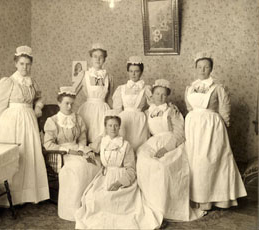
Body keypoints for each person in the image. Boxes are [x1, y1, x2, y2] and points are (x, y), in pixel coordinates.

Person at [75, 110, 163, 229]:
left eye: (116, 125)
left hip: (121, 177)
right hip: (104, 176)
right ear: (105, 127)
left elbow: (131, 169)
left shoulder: (125, 145)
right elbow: (89, 149)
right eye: (110, 125)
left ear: (119, 127)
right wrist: (89, 153)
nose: (113, 128)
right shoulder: (102, 142)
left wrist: (119, 183)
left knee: (116, 201)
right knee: (92, 198)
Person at [185, 52, 247, 211]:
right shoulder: (190, 88)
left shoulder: (218, 88)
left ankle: (215, 199)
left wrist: (224, 128)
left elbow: (224, 109)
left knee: (210, 161)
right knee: (194, 162)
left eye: (206, 67)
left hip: (212, 128)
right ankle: (197, 198)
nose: (202, 70)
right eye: (199, 67)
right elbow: (190, 108)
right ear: (196, 68)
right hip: (194, 127)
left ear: (211, 69)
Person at [136, 79, 205, 222]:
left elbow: (179, 133)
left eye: (163, 95)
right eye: (157, 94)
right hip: (153, 142)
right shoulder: (148, 111)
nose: (160, 97)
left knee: (162, 167)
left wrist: (166, 148)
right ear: (152, 95)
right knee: (143, 160)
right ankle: (150, 204)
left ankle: (165, 208)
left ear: (167, 96)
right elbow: (147, 133)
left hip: (171, 143)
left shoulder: (172, 110)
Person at [0, 45, 49, 205]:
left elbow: (39, 97)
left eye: (28, 64)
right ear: (16, 63)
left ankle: (26, 196)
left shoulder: (32, 82)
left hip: (29, 121)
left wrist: (37, 106)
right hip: (12, 123)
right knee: (14, 157)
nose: (25, 67)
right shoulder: (8, 81)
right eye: (22, 63)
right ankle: (9, 198)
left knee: (28, 155)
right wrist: (5, 122)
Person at [43, 87, 100, 221]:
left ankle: (88, 206)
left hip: (78, 150)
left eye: (72, 104)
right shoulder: (52, 121)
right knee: (77, 169)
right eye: (66, 103)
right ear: (59, 103)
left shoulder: (78, 119)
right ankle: (72, 209)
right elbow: (48, 144)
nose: (69, 106)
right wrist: (67, 150)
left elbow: (82, 140)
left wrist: (86, 151)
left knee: (95, 164)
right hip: (60, 154)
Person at [73, 43, 113, 143]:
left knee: (102, 139)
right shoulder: (84, 74)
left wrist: (113, 114)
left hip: (103, 110)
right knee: (85, 138)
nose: (98, 59)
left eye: (101, 57)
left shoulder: (109, 77)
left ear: (104, 59)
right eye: (95, 56)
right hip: (88, 110)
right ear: (91, 58)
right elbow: (72, 93)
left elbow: (110, 98)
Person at [112, 56, 151, 151]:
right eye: (131, 71)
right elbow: (117, 109)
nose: (133, 74)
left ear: (141, 72)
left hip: (139, 121)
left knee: (139, 146)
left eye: (136, 71)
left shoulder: (146, 88)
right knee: (124, 147)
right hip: (124, 120)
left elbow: (154, 105)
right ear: (128, 72)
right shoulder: (121, 88)